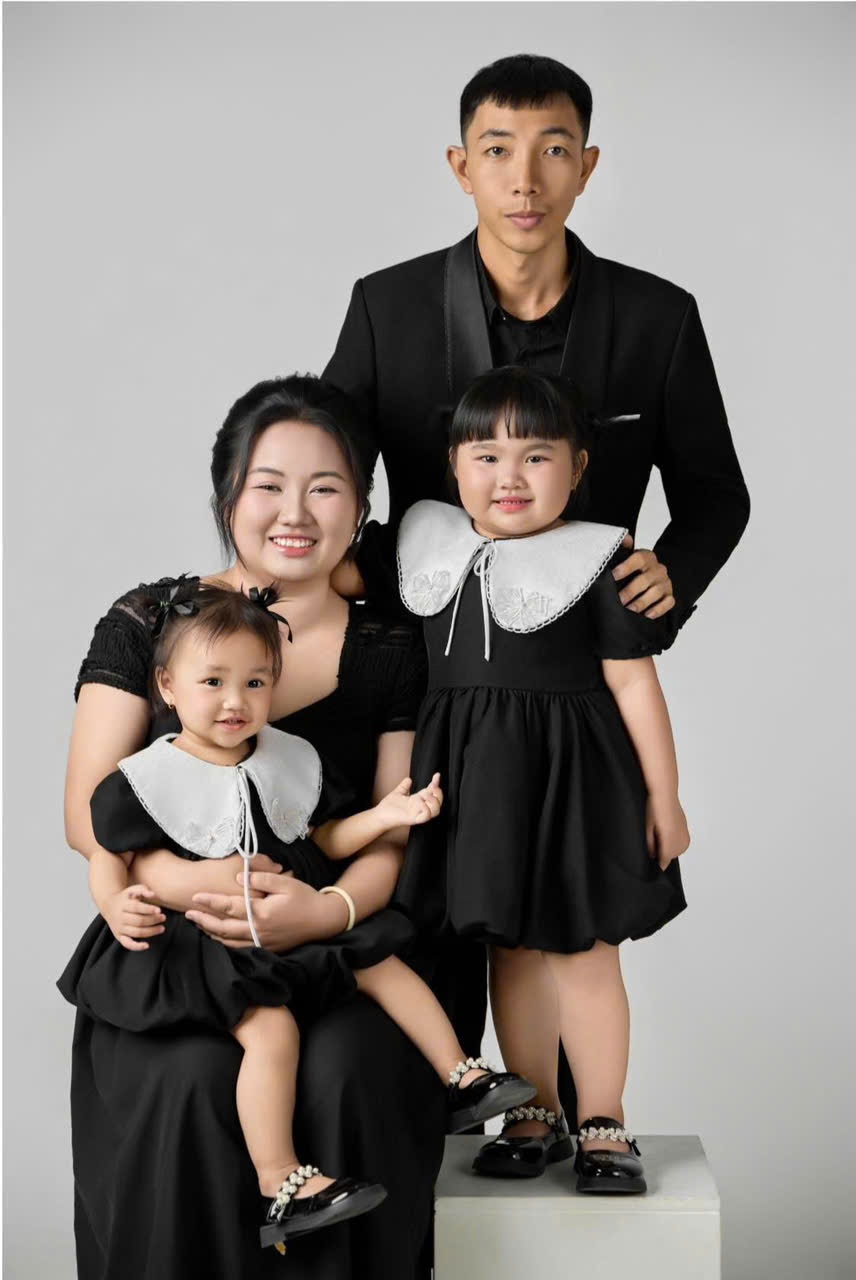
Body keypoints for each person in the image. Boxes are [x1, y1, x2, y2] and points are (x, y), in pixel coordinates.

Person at [323, 49, 749, 1132]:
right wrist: (318, 576)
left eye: (554, 150)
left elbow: (716, 494)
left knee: (573, 932)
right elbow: (329, 468)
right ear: (460, 165)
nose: (525, 179)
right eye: (499, 151)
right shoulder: (387, 305)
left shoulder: (656, 315)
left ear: (587, 166)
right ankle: (480, 1129)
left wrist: (669, 578)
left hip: (574, 691)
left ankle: (583, 1116)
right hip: (429, 692)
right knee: (458, 925)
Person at [63, 376, 455, 1280]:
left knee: (347, 1069)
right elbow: (88, 811)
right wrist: (183, 884)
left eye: (326, 488)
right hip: (175, 951)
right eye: (268, 485)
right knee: (188, 1081)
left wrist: (323, 913)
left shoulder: (392, 643)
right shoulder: (150, 622)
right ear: (227, 497)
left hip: (338, 950)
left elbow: (388, 829)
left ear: (360, 506)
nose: (296, 513)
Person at [61, 581, 533, 1253]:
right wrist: (114, 901)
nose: (235, 701)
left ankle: (462, 1077)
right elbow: (111, 851)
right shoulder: (147, 777)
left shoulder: (286, 758)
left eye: (254, 683)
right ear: (167, 686)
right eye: (213, 682)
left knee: (379, 963)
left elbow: (324, 841)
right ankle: (281, 1180)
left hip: (292, 922)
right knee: (270, 1031)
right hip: (209, 942)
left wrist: (385, 816)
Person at [393, 365, 690, 1193]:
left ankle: (603, 1119)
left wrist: (664, 798)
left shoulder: (596, 560)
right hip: (480, 792)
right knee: (512, 953)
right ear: (453, 466)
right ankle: (535, 1109)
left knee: (586, 955)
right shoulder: (427, 546)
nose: (510, 477)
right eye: (486, 456)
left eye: (536, 456)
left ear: (579, 465)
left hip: (577, 786)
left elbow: (635, 686)